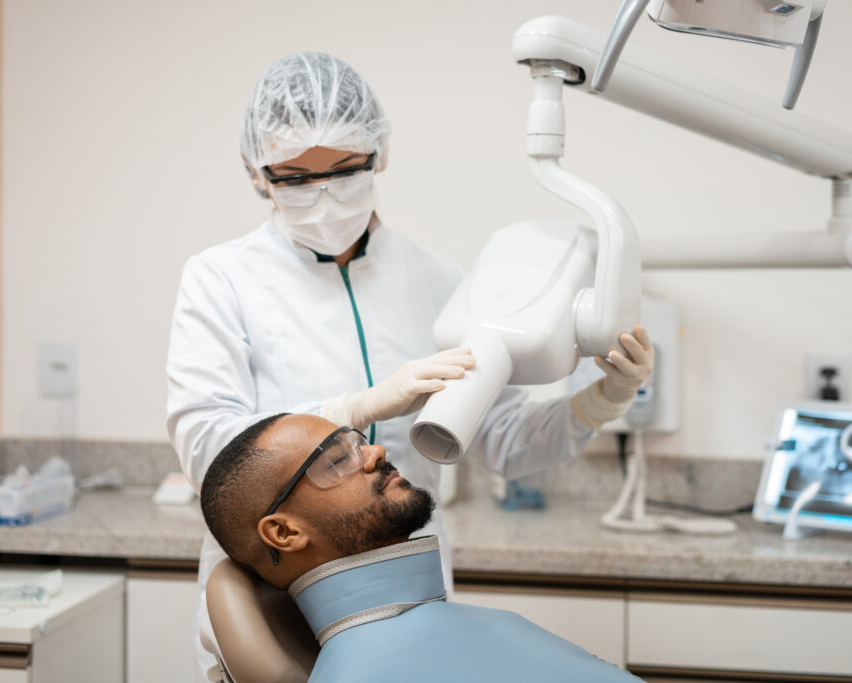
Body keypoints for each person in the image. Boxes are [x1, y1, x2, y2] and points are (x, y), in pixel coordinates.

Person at [167, 51, 654, 680]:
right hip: (272, 599)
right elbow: (210, 450)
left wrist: (604, 396)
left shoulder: (437, 280)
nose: (321, 193)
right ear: (255, 173)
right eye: (293, 177)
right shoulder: (221, 279)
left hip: (405, 598)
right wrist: (358, 409)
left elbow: (501, 441)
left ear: (380, 154)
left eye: (344, 170)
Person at [200, 413, 642, 682]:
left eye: (358, 442)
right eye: (337, 460)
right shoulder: (365, 672)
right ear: (284, 534)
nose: (375, 452)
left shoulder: (454, 625)